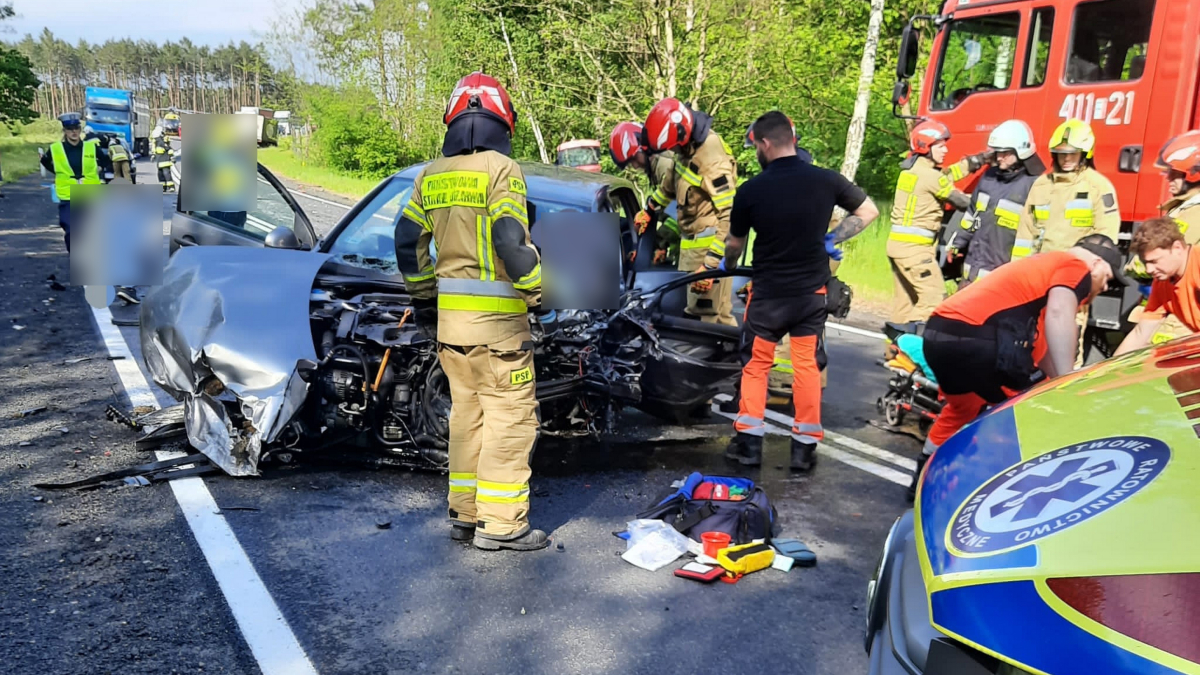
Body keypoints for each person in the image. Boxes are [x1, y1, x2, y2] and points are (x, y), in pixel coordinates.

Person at [393, 71, 550, 552]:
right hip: (499, 332)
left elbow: (405, 240)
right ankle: (503, 526)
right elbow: (508, 238)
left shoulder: (430, 175)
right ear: (503, 121)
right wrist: (537, 291)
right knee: (510, 418)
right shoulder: (502, 170)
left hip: (452, 328)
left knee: (466, 416)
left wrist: (423, 298)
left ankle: (465, 513)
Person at [721, 111, 880, 470]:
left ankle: (748, 445)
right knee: (806, 366)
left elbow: (734, 244)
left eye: (755, 146)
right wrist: (833, 237)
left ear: (764, 143)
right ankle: (803, 450)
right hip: (811, 296)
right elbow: (868, 212)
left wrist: (728, 267)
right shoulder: (825, 180)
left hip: (768, 299)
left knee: (756, 365)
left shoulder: (752, 190)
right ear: (791, 139)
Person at [910, 234, 1125, 499]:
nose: (1104, 287)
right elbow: (1060, 315)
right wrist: (1068, 382)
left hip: (939, 333)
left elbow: (1045, 345)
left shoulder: (1041, 270)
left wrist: (1055, 383)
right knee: (1030, 406)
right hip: (976, 337)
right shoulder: (1074, 266)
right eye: (1108, 277)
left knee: (962, 409)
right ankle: (1013, 489)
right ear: (1096, 262)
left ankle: (921, 482)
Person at [1012, 118, 1120, 366]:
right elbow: (1025, 233)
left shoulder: (1097, 186)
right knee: (1033, 340)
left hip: (1074, 280)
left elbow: (1106, 237)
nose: (1066, 159)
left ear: (1085, 153)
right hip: (1038, 277)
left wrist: (1089, 278)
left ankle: (1066, 388)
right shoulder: (1041, 185)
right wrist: (1018, 272)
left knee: (1068, 344)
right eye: (1061, 154)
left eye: (1072, 154)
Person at [643, 98, 738, 326]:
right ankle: (735, 361)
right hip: (694, 251)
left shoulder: (711, 158)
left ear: (682, 135)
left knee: (703, 319)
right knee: (720, 318)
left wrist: (710, 265)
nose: (672, 151)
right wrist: (650, 209)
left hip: (707, 251)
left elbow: (730, 214)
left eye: (673, 146)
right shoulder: (686, 148)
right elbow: (671, 184)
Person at [886, 120, 987, 327]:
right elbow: (962, 202)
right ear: (925, 146)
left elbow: (949, 174)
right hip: (916, 252)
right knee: (932, 299)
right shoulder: (931, 177)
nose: (946, 149)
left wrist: (981, 159)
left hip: (897, 247)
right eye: (940, 145)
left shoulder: (912, 172)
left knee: (905, 304)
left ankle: (894, 353)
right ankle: (912, 351)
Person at [948, 119, 1045, 284]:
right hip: (973, 272)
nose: (999, 157)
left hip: (1005, 277)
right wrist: (958, 242)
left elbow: (1040, 233)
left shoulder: (1036, 185)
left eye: (1005, 153)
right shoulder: (989, 177)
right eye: (997, 152)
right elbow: (972, 214)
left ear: (1020, 151)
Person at [1115, 218, 1200, 354]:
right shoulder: (1162, 283)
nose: (1148, 270)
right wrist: (1110, 371)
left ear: (1177, 248)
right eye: (1145, 262)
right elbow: (1141, 333)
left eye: (1154, 261)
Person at [608, 121, 680, 265]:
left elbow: (678, 214)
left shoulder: (664, 165)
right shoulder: (657, 166)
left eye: (634, 159)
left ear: (643, 147)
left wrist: (657, 242)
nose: (635, 166)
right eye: (630, 163)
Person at [39, 113, 111, 253]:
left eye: (76, 128)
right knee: (71, 230)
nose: (74, 132)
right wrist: (58, 172)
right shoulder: (56, 148)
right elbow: (45, 161)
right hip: (68, 194)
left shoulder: (90, 147)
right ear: (65, 131)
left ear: (80, 130)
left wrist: (99, 169)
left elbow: (105, 160)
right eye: (70, 129)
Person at [151, 127, 176, 192]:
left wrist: (172, 157)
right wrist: (153, 155)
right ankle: (163, 187)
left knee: (166, 174)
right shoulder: (157, 143)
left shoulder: (161, 142)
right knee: (160, 175)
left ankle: (171, 187)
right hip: (159, 163)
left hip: (165, 162)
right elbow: (155, 150)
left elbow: (169, 149)